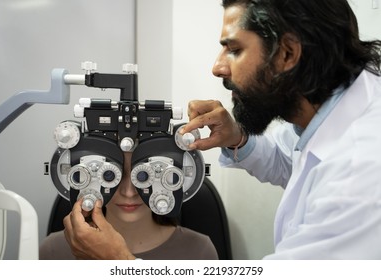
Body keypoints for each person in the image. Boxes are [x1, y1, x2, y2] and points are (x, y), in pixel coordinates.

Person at [181, 0, 381, 259]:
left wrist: (121, 261)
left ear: (287, 53)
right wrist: (237, 138)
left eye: (234, 49)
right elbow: (292, 159)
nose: (218, 68)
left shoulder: (361, 174)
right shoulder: (332, 101)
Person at [40, 152, 218, 260]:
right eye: (110, 176)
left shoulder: (198, 251)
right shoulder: (54, 250)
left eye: (142, 176)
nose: (128, 192)